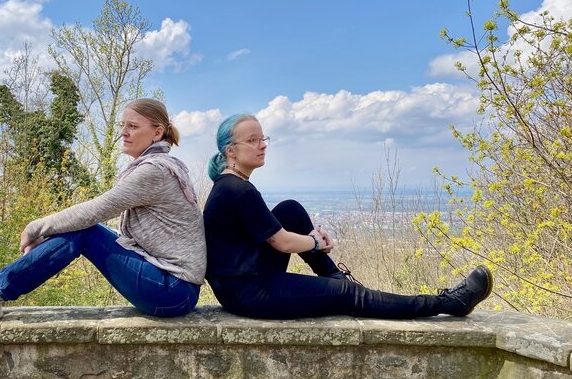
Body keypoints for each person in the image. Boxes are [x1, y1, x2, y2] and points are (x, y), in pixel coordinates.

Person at [0, 99, 206, 320]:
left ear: (157, 132)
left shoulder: (155, 171)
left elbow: (95, 210)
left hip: (172, 291)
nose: (123, 132)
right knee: (84, 230)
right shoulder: (164, 167)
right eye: (122, 125)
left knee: (84, 231)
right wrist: (50, 232)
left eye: (133, 126)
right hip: (169, 286)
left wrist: (35, 228)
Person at [202, 113, 493, 319]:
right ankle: (447, 303)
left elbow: (274, 235)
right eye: (252, 140)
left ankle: (335, 277)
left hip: (246, 279)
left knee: (289, 209)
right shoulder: (237, 190)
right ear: (231, 151)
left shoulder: (231, 184)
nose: (262, 145)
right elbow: (283, 243)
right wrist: (315, 242)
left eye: (263, 138)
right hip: (250, 292)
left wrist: (311, 241)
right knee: (348, 296)